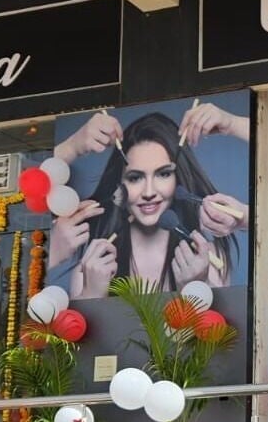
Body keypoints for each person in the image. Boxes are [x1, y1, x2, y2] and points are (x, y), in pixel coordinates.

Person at [50, 103, 248, 298]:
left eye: (163, 174)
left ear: (178, 177)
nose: (149, 192)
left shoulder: (208, 260)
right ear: (120, 184)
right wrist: (92, 293)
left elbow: (214, 330)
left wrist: (194, 288)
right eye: (135, 177)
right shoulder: (93, 266)